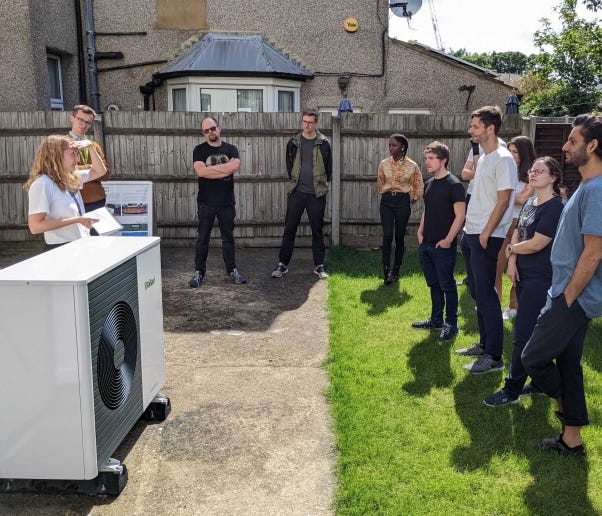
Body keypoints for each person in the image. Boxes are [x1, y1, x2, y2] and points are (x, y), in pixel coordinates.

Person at [522, 114, 602, 459]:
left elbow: (593, 253)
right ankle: (572, 440)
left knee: (533, 359)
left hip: (574, 297)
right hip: (567, 293)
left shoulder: (597, 191)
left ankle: (565, 408)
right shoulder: (586, 186)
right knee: (568, 364)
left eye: (572, 141)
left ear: (593, 145)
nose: (565, 146)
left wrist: (566, 299)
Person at [483, 156, 564, 406]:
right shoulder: (530, 201)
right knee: (534, 333)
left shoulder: (556, 207)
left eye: (540, 171)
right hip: (523, 275)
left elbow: (539, 242)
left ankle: (512, 389)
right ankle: (539, 382)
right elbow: (519, 230)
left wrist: (509, 251)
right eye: (532, 170)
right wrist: (513, 261)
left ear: (553, 177)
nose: (533, 173)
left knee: (523, 334)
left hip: (542, 279)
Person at [456, 106, 517, 374]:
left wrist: (484, 233)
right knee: (479, 293)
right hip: (473, 233)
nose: (471, 130)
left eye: (476, 126)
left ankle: (494, 356)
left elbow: (504, 201)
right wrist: (471, 230)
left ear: (490, 128)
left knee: (488, 295)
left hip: (487, 236)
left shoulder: (504, 158)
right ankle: (483, 344)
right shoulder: (485, 158)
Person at [412, 141, 465, 340]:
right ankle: (436, 320)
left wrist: (448, 240)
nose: (427, 162)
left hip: (444, 246)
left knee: (447, 285)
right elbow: (428, 209)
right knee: (433, 284)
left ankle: (451, 324)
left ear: (443, 160)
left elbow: (460, 215)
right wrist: (420, 230)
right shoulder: (429, 184)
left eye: (431, 158)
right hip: (426, 243)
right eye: (426, 158)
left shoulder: (454, 185)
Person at [271, 109, 332, 280]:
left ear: (316, 123)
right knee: (289, 228)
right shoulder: (293, 142)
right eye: (304, 122)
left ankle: (319, 265)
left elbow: (329, 169)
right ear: (301, 122)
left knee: (317, 231)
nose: (307, 125)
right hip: (296, 193)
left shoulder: (324, 143)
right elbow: (290, 167)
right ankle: (283, 264)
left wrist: (318, 183)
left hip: (316, 194)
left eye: (310, 122)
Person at [189, 117, 247, 288]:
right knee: (202, 239)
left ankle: (232, 270)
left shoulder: (231, 149)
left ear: (219, 128)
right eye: (206, 131)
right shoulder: (199, 150)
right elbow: (201, 172)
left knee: (228, 238)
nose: (210, 133)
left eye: (212, 129)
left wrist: (210, 171)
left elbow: (233, 167)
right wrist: (223, 169)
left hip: (226, 202)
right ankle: (199, 272)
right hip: (206, 202)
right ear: (203, 133)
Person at [24, 135, 106, 250]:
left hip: (81, 244)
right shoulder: (42, 184)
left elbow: (100, 171)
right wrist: (77, 220)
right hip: (60, 249)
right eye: (73, 154)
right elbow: (35, 226)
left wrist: (90, 147)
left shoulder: (70, 177)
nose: (77, 160)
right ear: (56, 157)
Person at [496, 136, 535, 321]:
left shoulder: (533, 174)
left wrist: (504, 196)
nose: (511, 155)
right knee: (497, 264)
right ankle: (493, 300)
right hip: (503, 222)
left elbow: (522, 199)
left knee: (518, 267)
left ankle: (514, 306)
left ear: (524, 153)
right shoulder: (505, 170)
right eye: (509, 151)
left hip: (522, 224)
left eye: (515, 151)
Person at [376, 133, 423, 284]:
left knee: (399, 237)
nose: (391, 148)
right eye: (389, 145)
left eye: (394, 145)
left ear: (402, 147)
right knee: (387, 235)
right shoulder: (384, 163)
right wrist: (386, 193)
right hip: (387, 201)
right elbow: (380, 182)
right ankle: (386, 270)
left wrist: (412, 199)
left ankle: (396, 270)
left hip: (403, 201)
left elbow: (418, 185)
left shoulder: (412, 165)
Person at [67, 104, 110, 212]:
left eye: (88, 122)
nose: (84, 125)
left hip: (98, 200)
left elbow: (105, 174)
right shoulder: (63, 144)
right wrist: (94, 169)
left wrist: (83, 169)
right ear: (72, 118)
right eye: (80, 120)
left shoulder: (93, 145)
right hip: (74, 201)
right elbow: (70, 173)